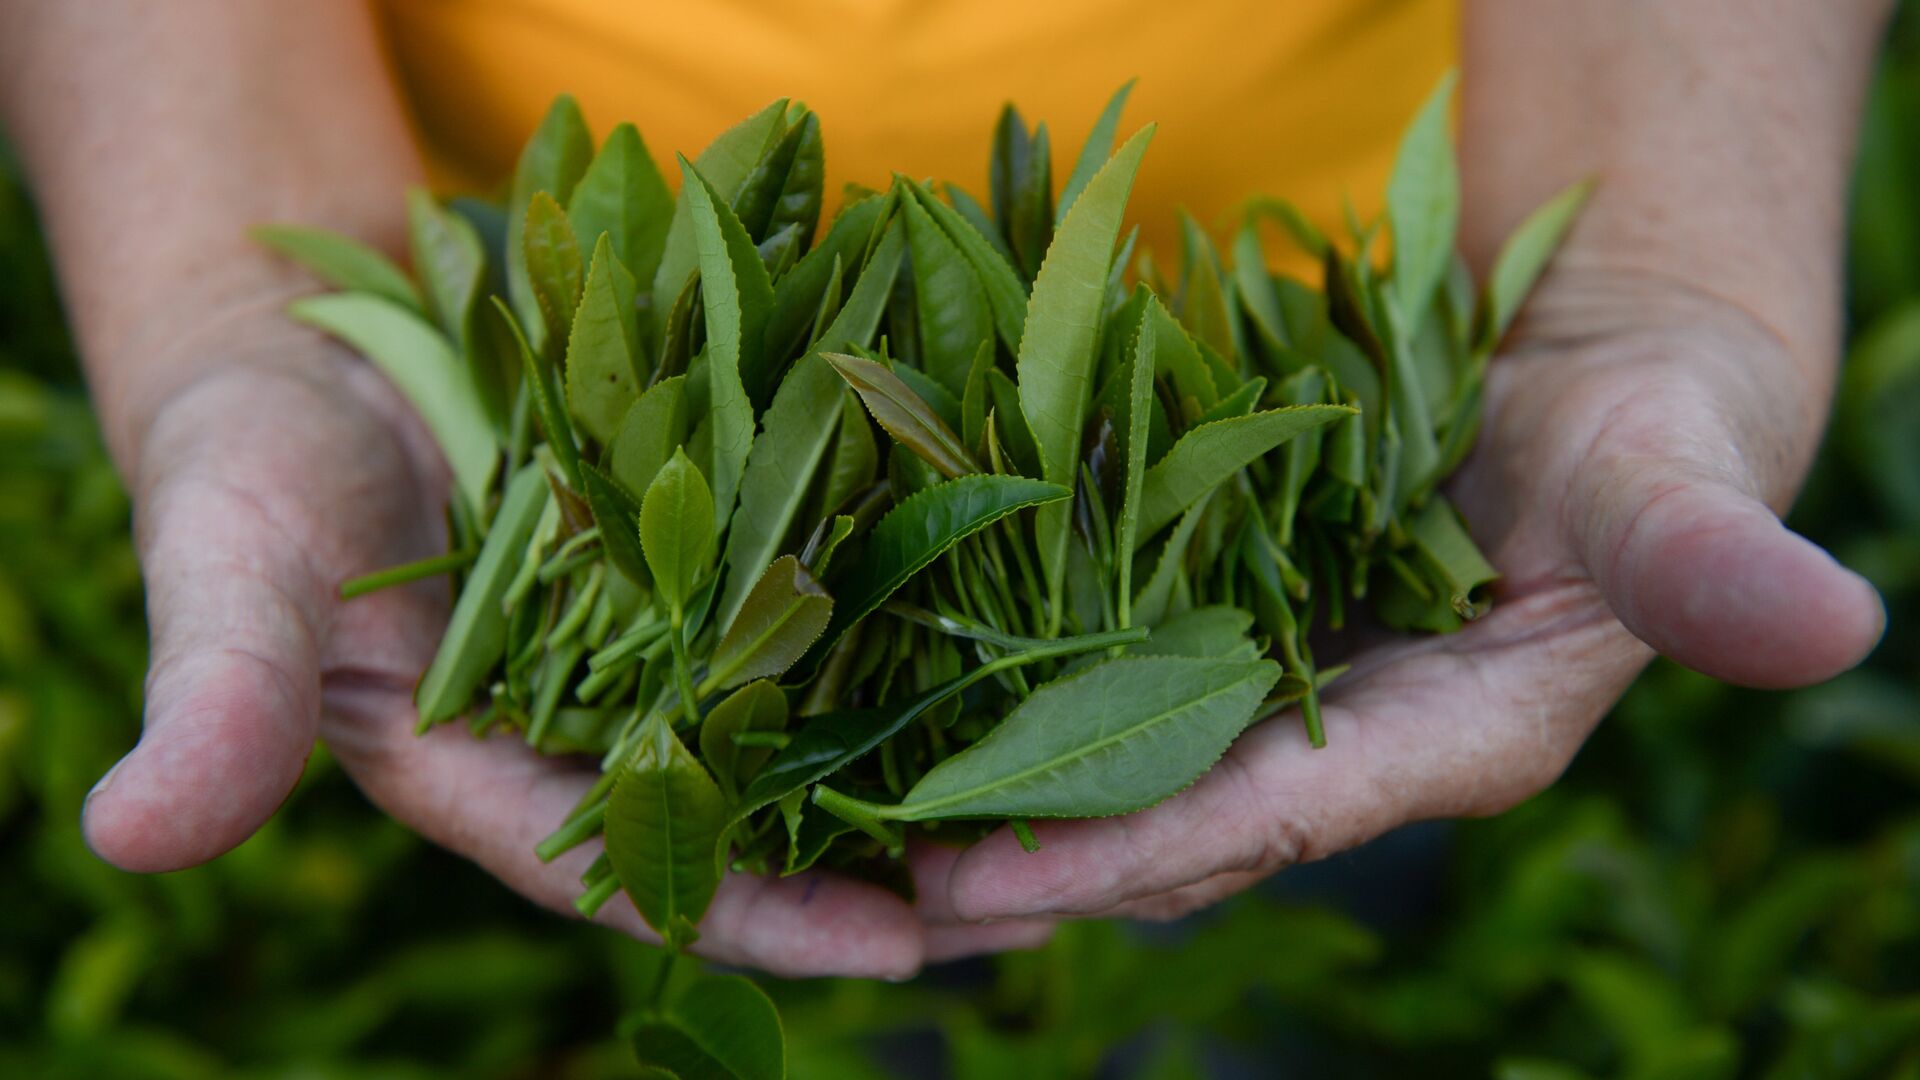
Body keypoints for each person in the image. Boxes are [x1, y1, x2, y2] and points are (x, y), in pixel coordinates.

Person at [0, 0, 1891, 981]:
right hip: (565, 306)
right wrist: (239, 282)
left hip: (1324, 362)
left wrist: (1651, 257)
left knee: (1263, 805)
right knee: (735, 851)